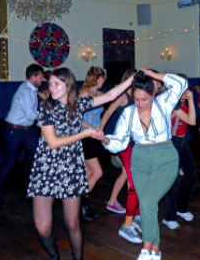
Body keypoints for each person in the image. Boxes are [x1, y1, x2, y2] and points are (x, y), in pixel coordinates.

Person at [27, 67, 134, 260]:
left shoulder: (78, 104)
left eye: (57, 84)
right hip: (46, 168)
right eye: (50, 83)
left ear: (68, 85)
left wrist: (132, 79)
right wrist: (84, 134)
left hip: (71, 167)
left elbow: (110, 94)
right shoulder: (46, 107)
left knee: (73, 224)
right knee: (42, 227)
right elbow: (53, 142)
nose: (52, 87)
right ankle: (54, 256)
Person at [92, 69, 188, 260]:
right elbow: (119, 142)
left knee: (147, 201)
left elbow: (181, 84)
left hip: (165, 157)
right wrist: (104, 140)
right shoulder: (128, 113)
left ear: (153, 93)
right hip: (140, 159)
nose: (140, 104)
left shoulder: (163, 103)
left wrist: (154, 75)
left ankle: (145, 250)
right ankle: (155, 252)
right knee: (147, 206)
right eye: (136, 99)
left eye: (144, 99)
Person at [0, 64, 44, 206]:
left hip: (27, 129)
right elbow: (31, 115)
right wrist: (47, 114)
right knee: (9, 163)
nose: (43, 79)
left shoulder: (32, 90)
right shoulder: (26, 91)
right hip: (15, 130)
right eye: (41, 76)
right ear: (33, 77)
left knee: (40, 155)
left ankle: (34, 188)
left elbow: (31, 116)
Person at [99, 69, 143, 243]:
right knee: (133, 182)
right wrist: (100, 131)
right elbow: (108, 112)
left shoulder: (139, 94)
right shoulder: (123, 95)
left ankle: (134, 215)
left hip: (138, 144)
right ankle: (127, 223)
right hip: (124, 144)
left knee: (134, 180)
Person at [162, 75, 197, 230]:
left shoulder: (181, 100)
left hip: (182, 142)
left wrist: (189, 100)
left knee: (191, 176)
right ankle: (168, 217)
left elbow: (192, 120)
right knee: (174, 181)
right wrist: (189, 101)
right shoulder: (172, 101)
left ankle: (181, 208)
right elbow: (191, 121)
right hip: (172, 142)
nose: (187, 89)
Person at [78, 67, 107, 221]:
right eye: (103, 78)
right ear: (98, 78)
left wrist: (99, 129)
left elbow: (109, 104)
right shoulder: (85, 94)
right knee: (98, 173)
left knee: (88, 174)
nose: (104, 81)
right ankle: (79, 205)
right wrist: (92, 129)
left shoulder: (99, 94)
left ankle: (83, 207)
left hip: (93, 137)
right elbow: (76, 118)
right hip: (84, 137)